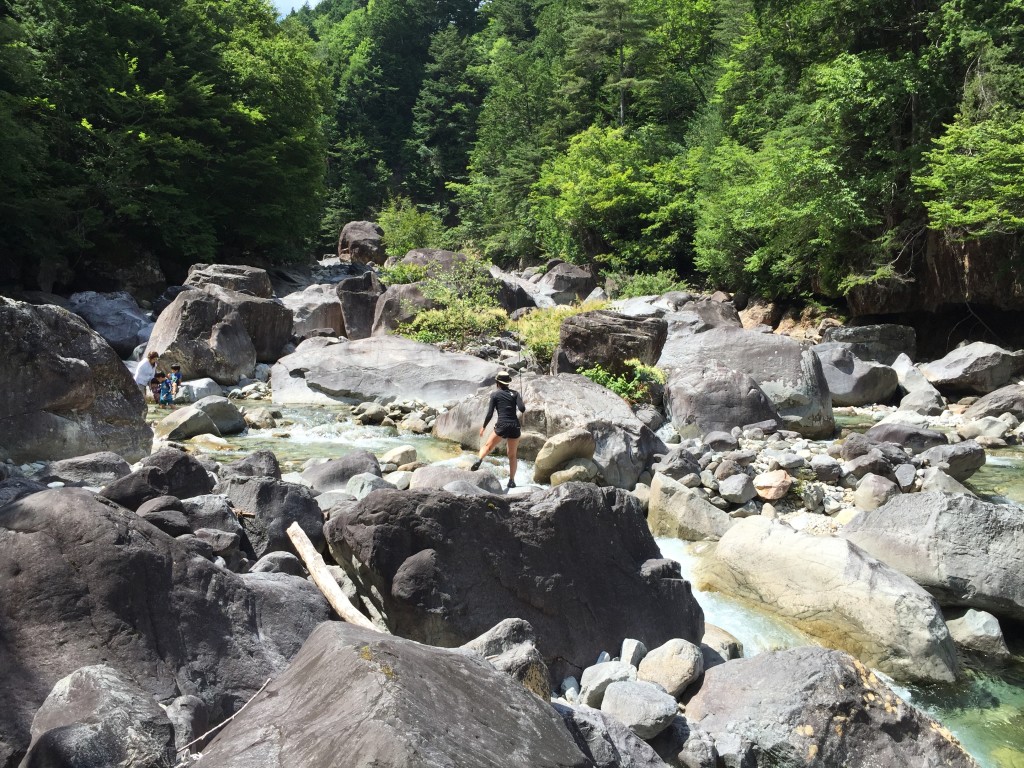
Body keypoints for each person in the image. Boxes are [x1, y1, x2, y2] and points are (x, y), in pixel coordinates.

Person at [471, 371, 526, 488]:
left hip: (502, 424)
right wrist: (521, 400)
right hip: (514, 426)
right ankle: (511, 481)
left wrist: (484, 427)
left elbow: (490, 414)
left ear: (497, 383)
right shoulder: (515, 393)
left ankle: (479, 460)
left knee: (488, 446)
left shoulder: (495, 395)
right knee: (512, 455)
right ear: (508, 383)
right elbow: (522, 409)